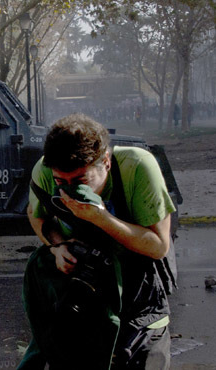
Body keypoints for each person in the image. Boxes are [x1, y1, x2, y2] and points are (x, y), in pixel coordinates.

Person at [19, 113, 176, 369]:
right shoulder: (44, 171)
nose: (69, 189)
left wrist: (102, 218)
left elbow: (158, 246)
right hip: (87, 298)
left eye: (81, 181)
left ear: (106, 162)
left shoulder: (137, 167)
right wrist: (58, 247)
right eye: (61, 182)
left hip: (140, 297)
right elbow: (36, 216)